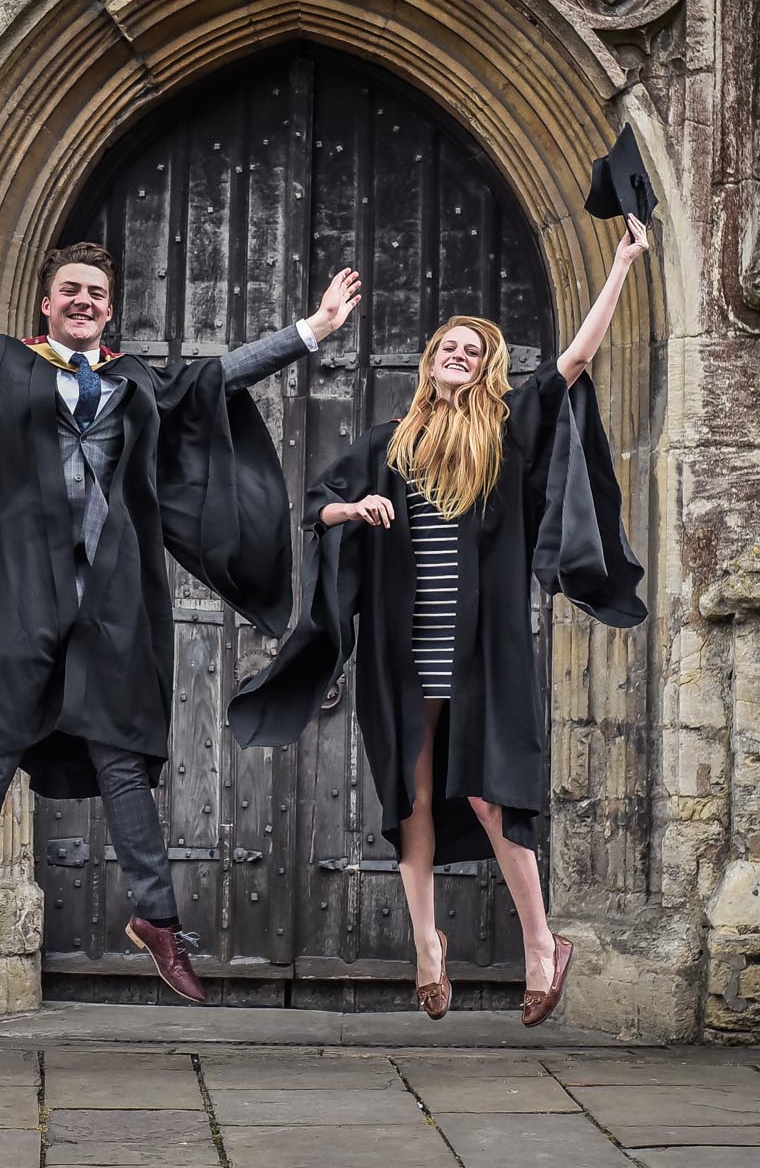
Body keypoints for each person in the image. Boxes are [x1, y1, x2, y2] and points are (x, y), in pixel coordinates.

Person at [0, 205, 361, 1016]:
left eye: (96, 293)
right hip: (13, 604)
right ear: (46, 302)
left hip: (109, 607)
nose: (82, 300)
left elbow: (217, 380)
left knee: (121, 761)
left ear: (111, 309)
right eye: (70, 289)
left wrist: (311, 330)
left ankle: (159, 919)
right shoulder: (2, 365)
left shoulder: (133, 381)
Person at [229, 215, 650, 1027]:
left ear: (487, 368)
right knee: (412, 797)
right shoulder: (393, 443)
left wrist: (624, 264)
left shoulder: (505, 435)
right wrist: (355, 506)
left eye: (472, 350)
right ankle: (427, 944)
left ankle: (540, 943)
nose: (457, 356)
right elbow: (318, 504)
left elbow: (577, 360)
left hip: (481, 652)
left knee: (494, 797)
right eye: (448, 347)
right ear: (431, 361)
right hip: (405, 652)